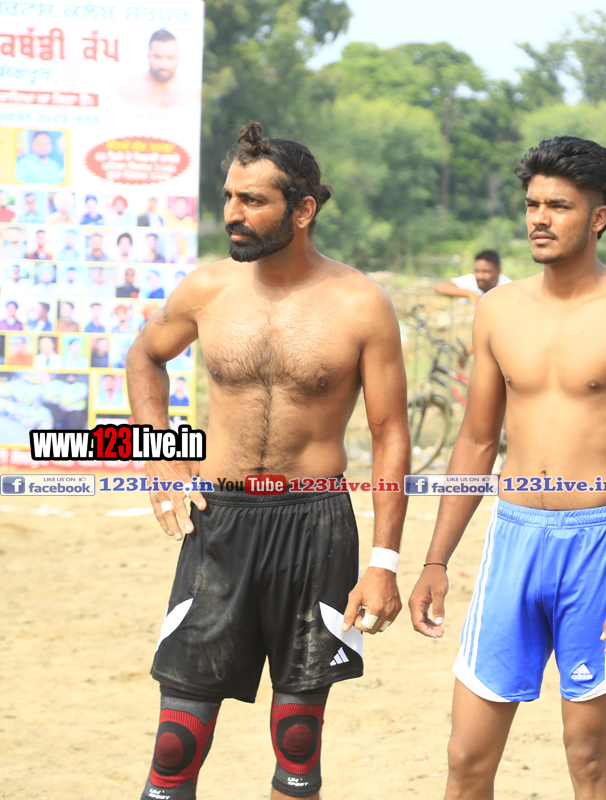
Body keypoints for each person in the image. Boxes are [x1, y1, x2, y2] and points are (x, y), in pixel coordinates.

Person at [125, 121, 410, 800]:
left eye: (253, 200)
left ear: (302, 210)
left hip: (315, 525)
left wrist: (384, 562)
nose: (233, 212)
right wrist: (160, 456)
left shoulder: (361, 304)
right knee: (176, 740)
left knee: (298, 740)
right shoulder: (206, 290)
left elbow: (391, 434)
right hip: (218, 522)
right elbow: (144, 357)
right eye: (229, 196)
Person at [408, 136, 606, 800]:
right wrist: (436, 559)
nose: (540, 219)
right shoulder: (498, 310)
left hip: (600, 543)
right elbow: (476, 441)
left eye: (559, 206)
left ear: (598, 216)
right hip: (513, 537)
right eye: (533, 204)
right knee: (466, 755)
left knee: (588, 757)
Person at [119, 29, 198, 108]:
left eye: (170, 57)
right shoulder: (127, 91)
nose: (163, 65)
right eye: (157, 57)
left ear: (178, 57)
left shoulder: (192, 94)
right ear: (148, 56)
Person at [434, 249, 511, 308]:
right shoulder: (473, 280)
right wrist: (470, 294)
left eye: (486, 272)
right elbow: (440, 287)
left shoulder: (508, 288)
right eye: (477, 271)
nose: (480, 276)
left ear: (498, 271)